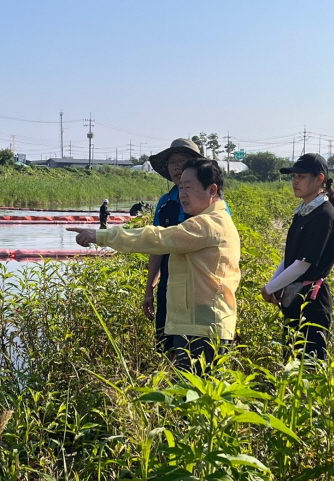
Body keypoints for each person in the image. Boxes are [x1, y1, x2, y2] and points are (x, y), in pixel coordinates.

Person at [68, 159, 240, 374]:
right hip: (196, 323)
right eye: (180, 187)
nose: (183, 193)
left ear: (212, 190)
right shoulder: (209, 220)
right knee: (192, 397)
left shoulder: (209, 224)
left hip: (203, 327)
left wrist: (101, 235)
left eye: (189, 187)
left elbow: (157, 238)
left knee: (195, 397)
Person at [261, 153, 334, 362]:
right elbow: (291, 258)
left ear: (319, 179)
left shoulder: (323, 215)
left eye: (301, 176)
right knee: (291, 360)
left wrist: (269, 289)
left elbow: (302, 264)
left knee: (309, 367)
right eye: (294, 176)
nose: (295, 181)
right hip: (294, 297)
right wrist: (274, 284)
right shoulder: (304, 212)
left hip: (312, 303)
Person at [143, 138, 206, 354]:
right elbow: (156, 246)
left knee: (199, 342)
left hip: (200, 278)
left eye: (183, 161)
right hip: (170, 278)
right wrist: (149, 287)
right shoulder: (165, 202)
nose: (177, 167)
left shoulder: (210, 201)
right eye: (172, 162)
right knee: (167, 341)